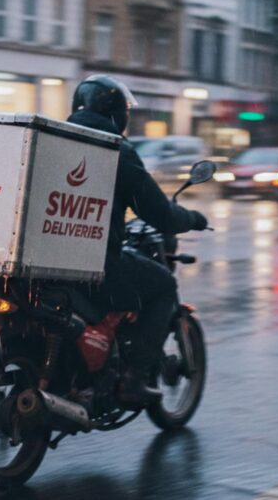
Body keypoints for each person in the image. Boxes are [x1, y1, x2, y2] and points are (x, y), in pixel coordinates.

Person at [67, 74, 209, 408]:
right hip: (93, 265)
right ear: (118, 113)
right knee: (161, 286)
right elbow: (158, 212)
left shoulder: (56, 139)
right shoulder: (116, 149)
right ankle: (132, 381)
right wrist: (191, 218)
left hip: (47, 264)